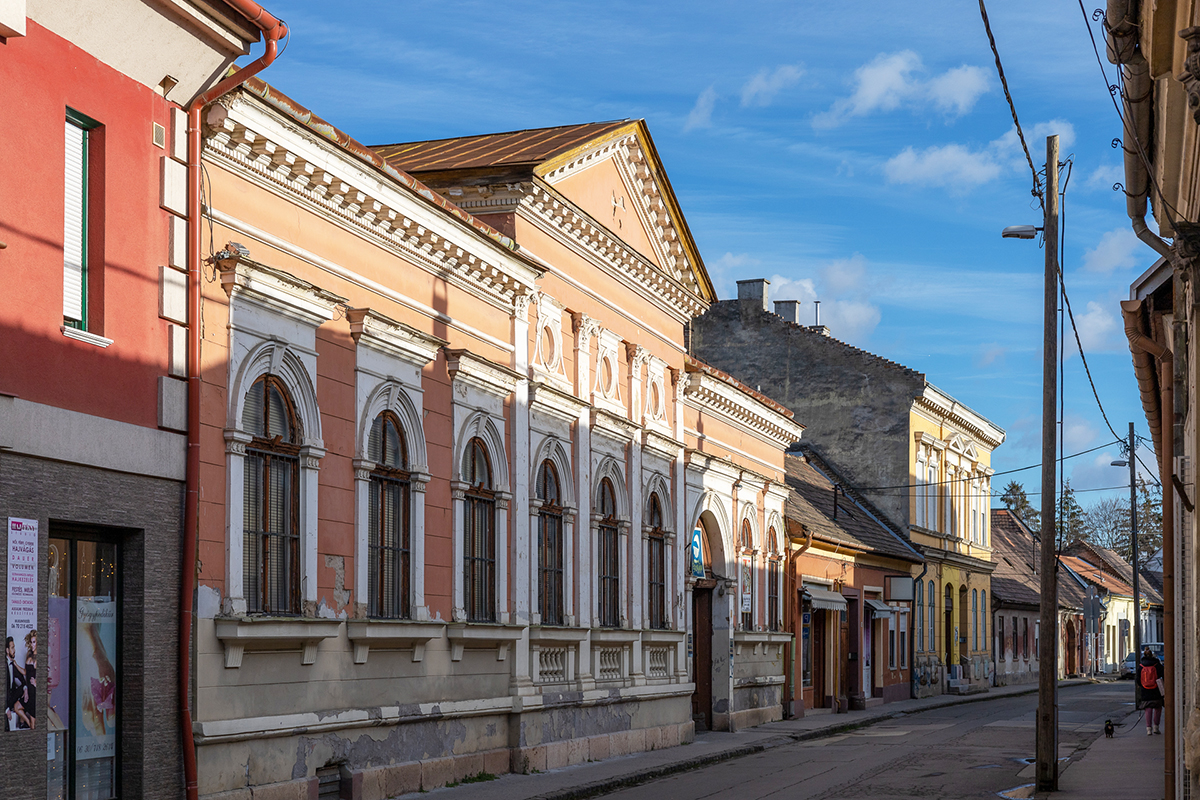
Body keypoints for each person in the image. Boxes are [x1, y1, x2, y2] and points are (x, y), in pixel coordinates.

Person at [1139, 646, 1165, 735]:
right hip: (1156, 689)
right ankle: (1156, 728)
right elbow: (1163, 674)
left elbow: (1138, 679)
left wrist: (1142, 686)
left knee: (1148, 708)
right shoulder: (1156, 664)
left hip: (1145, 689)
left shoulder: (1141, 665)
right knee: (1158, 707)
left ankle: (1148, 729)